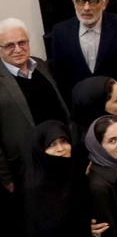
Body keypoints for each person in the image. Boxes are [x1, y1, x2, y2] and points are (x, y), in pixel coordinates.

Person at [0, 18, 70, 193]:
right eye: (10, 45)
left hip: (61, 153)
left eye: (22, 42)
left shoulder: (41, 65)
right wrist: (5, 176)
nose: (18, 49)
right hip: (26, 167)